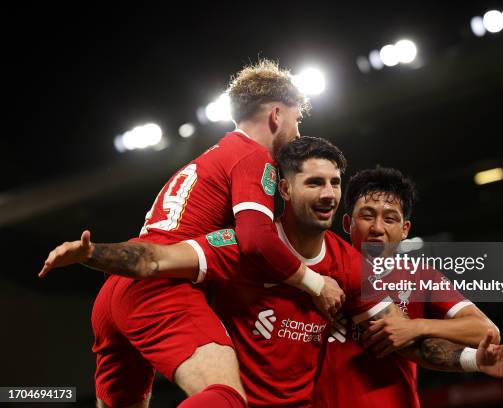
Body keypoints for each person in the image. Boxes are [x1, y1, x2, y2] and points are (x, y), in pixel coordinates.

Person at [42, 138, 503, 407]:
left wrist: (467, 362)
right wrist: (90, 255)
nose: (330, 192)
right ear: (284, 191)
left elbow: (407, 343)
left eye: (335, 182)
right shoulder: (241, 246)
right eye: (315, 182)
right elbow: (154, 260)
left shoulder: (351, 267)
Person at [40, 60, 345, 408]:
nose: (298, 132)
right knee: (225, 399)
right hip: (161, 286)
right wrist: (316, 283)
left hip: (117, 288)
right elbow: (256, 239)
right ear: (276, 115)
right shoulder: (253, 158)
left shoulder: (205, 161)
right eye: (297, 120)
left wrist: (93, 254)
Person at [313, 166, 503, 407]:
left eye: (390, 218)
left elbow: (485, 330)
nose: (378, 228)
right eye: (367, 215)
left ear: (405, 229)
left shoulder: (419, 275)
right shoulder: (319, 268)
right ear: (346, 222)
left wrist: (414, 327)